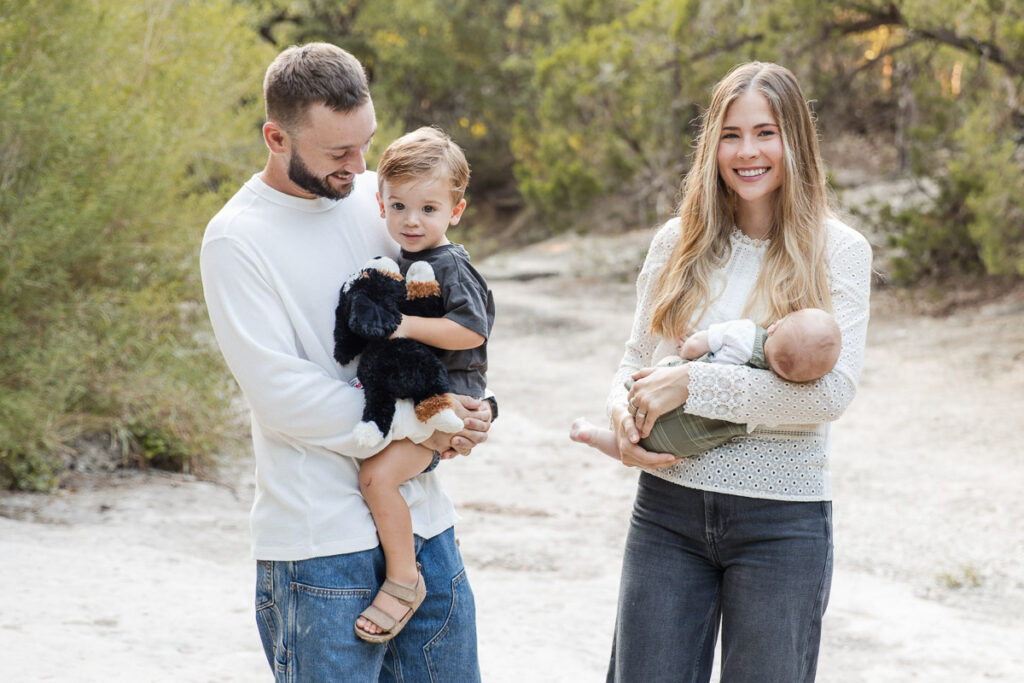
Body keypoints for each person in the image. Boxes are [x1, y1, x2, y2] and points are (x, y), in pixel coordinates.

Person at [199, 43, 491, 682]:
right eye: (339, 153)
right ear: (277, 137)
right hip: (319, 550)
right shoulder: (236, 239)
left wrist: (466, 410)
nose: (360, 169)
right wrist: (423, 422)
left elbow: (445, 306)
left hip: (425, 528)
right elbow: (284, 396)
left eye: (367, 145)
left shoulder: (377, 199)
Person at [603, 62, 872, 683]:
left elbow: (828, 394)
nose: (747, 151)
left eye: (765, 132)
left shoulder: (841, 252)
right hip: (667, 512)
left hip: (783, 521)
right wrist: (621, 413)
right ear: (712, 146)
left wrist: (694, 384)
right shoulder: (677, 243)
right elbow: (635, 362)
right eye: (730, 134)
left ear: (795, 141)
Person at [353, 127, 495, 643]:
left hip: (449, 397)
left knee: (377, 478)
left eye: (429, 209)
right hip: (426, 390)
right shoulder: (408, 260)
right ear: (381, 203)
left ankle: (404, 579)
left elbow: (471, 329)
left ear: (456, 210)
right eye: (399, 206)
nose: (411, 220)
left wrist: (404, 327)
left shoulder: (449, 264)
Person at [570, 307, 841, 460]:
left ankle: (593, 434)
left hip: (649, 407)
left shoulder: (745, 333)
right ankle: (594, 437)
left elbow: (697, 346)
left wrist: (685, 350)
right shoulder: (766, 400)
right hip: (681, 445)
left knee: (666, 369)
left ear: (774, 327)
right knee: (643, 446)